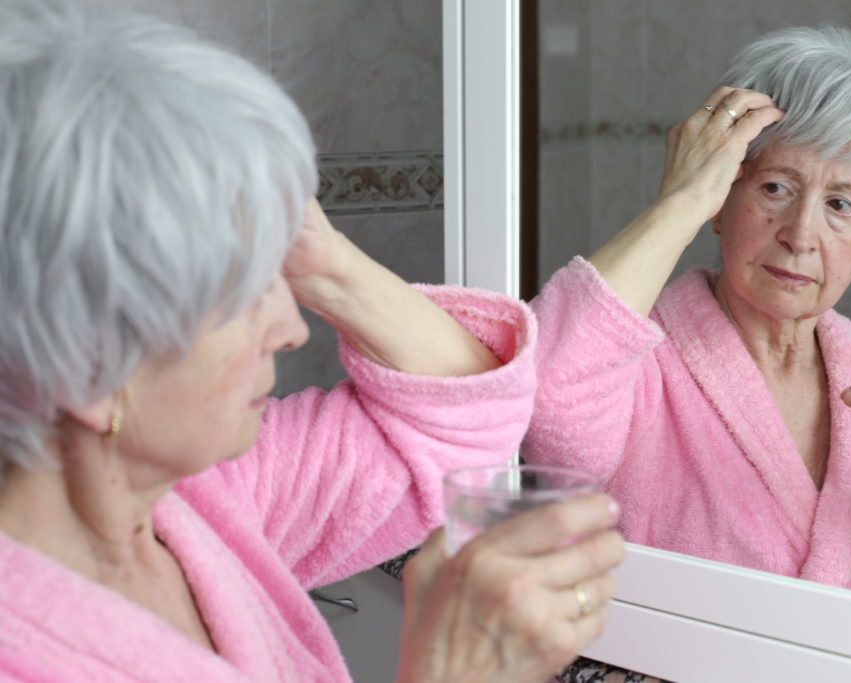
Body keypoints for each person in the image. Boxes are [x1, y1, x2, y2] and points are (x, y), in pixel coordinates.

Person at [0, 1, 624, 681]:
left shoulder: (201, 502)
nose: (294, 326)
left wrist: (320, 257)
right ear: (91, 368)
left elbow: (459, 413)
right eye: (243, 294)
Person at [525, 24, 851, 629]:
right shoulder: (634, 367)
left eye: (841, 204)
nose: (800, 234)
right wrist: (678, 201)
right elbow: (544, 403)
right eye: (775, 187)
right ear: (719, 201)